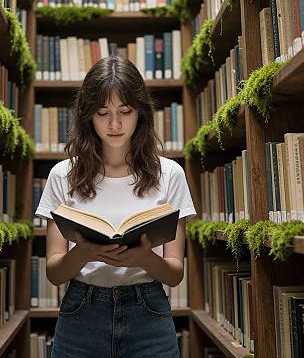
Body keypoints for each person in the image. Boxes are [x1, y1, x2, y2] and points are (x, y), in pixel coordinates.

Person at [34, 55, 197, 357]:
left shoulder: (170, 174)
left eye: (125, 111)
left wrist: (143, 258)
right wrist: (85, 252)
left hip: (148, 309)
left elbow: (174, 275)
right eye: (102, 112)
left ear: (141, 113)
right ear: (87, 116)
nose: (114, 124)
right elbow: (55, 274)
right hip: (82, 311)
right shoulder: (62, 175)